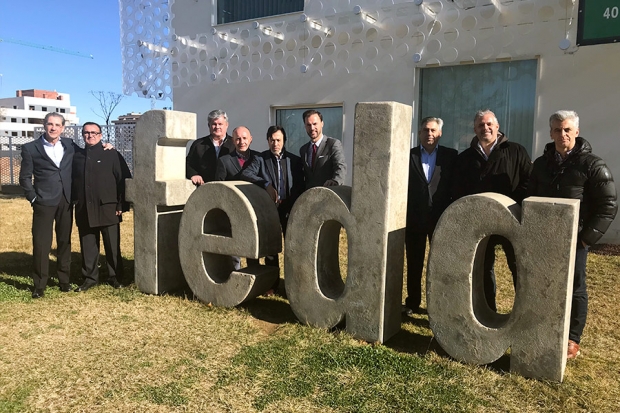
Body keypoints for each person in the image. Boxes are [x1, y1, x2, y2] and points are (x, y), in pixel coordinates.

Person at [528, 110, 617, 359]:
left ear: (577, 132)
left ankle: (572, 338)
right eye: (557, 129)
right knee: (544, 283)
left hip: (576, 239)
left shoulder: (592, 165)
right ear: (550, 133)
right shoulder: (541, 164)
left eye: (567, 129)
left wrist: (586, 238)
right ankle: (545, 328)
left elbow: (608, 204)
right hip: (544, 237)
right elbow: (529, 195)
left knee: (575, 286)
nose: (562, 134)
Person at [451, 109, 532, 311]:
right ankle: (488, 310)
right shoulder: (466, 158)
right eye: (480, 125)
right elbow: (458, 188)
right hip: (479, 221)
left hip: (511, 218)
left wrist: (515, 206)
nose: (485, 128)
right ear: (474, 129)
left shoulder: (516, 151)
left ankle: (524, 311)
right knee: (482, 268)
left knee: (517, 265)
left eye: (489, 124)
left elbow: (528, 182)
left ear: (497, 126)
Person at [241, 125, 305, 294]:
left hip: (290, 208)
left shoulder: (294, 160)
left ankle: (294, 285)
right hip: (270, 209)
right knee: (271, 249)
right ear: (268, 140)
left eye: (278, 140)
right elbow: (246, 173)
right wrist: (266, 184)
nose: (275, 143)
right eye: (272, 140)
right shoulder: (260, 159)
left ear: (284, 141)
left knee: (293, 246)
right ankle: (272, 284)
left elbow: (300, 185)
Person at [404, 117, 457, 315]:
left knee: (440, 264)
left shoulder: (450, 156)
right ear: (419, 133)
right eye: (425, 130)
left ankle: (437, 304)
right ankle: (413, 302)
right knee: (414, 262)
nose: (429, 134)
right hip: (414, 219)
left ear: (440, 133)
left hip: (440, 218)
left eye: (433, 130)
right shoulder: (408, 156)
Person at [19, 113, 75, 298]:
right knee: (42, 243)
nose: (53, 128)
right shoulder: (30, 148)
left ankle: (64, 280)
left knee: (64, 241)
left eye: (57, 125)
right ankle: (40, 284)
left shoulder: (69, 145)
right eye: (50, 124)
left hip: (66, 201)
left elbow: (87, 154)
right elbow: (25, 177)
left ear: (63, 127)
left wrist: (106, 145)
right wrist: (33, 197)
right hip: (43, 201)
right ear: (44, 125)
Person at [72, 122, 132, 292]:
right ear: (82, 135)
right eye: (86, 133)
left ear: (100, 135)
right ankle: (90, 277)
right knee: (88, 245)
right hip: (85, 208)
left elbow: (124, 179)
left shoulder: (111, 154)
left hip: (109, 208)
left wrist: (122, 204)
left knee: (112, 246)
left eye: (94, 133)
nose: (90, 136)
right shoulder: (76, 156)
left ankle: (115, 276)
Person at [215, 126, 260, 270]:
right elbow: (220, 187)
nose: (242, 141)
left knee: (253, 242)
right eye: (238, 139)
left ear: (251, 139)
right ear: (233, 141)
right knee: (236, 243)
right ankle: (236, 272)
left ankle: (254, 270)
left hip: (255, 208)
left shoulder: (259, 158)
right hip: (233, 209)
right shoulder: (224, 161)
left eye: (245, 138)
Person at [299, 109, 346, 188]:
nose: (312, 128)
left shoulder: (333, 144)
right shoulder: (303, 150)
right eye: (308, 125)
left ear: (322, 124)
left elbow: (340, 167)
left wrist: (335, 181)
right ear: (305, 126)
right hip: (310, 197)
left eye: (315, 124)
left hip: (328, 195)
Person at [186, 109, 235, 185]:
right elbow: (187, 164)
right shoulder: (199, 144)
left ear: (226, 125)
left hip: (229, 189)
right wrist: (193, 174)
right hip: (205, 188)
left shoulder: (234, 144)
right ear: (209, 125)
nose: (217, 127)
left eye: (220, 124)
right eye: (214, 124)